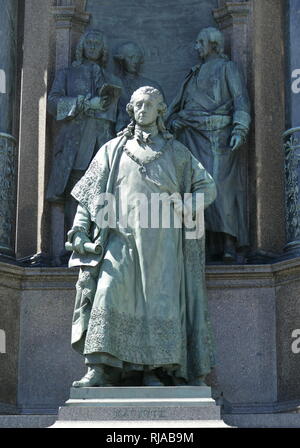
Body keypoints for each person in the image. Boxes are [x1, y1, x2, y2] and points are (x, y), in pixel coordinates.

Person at [67, 86, 216, 387]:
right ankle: (99, 368)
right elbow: (89, 196)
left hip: (163, 241)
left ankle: (153, 370)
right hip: (120, 238)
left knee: (158, 304)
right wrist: (80, 229)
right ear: (130, 110)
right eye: (137, 105)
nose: (142, 110)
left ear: (161, 110)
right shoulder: (112, 150)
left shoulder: (177, 153)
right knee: (107, 293)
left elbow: (207, 188)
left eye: (149, 105)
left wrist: (187, 204)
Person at [167, 27, 251, 262]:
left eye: (200, 42)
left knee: (220, 189)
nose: (196, 47)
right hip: (190, 135)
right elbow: (179, 105)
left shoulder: (227, 68)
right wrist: (173, 122)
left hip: (218, 137)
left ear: (213, 44)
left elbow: (240, 100)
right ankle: (201, 243)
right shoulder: (193, 73)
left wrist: (240, 128)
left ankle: (228, 243)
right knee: (193, 189)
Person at [46, 29, 123, 232]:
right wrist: (84, 104)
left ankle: (102, 240)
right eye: (88, 43)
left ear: (103, 49)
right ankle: (74, 239)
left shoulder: (113, 79)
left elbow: (123, 113)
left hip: (105, 142)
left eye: (97, 44)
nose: (92, 47)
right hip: (76, 142)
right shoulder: (67, 74)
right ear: (81, 46)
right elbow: (52, 104)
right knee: (77, 187)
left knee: (105, 188)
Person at [114, 41, 164, 132]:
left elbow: (162, 115)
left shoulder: (152, 86)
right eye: (131, 57)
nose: (135, 61)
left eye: (137, 58)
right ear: (121, 59)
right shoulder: (113, 83)